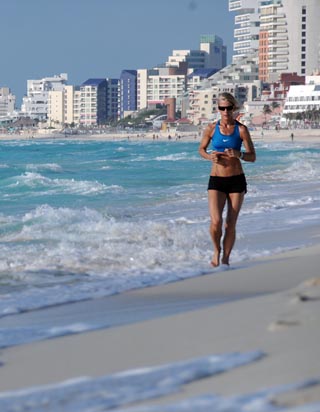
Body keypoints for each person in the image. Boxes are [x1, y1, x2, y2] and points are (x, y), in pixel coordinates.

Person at [198, 92, 256, 267]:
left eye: (228, 108)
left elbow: (252, 156)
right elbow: (201, 149)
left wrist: (239, 154)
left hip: (236, 180)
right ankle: (216, 251)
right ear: (218, 109)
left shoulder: (241, 129)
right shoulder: (210, 128)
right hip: (216, 180)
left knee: (230, 224)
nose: (225, 111)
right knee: (216, 222)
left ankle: (226, 258)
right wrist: (210, 157)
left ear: (233, 108)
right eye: (221, 108)